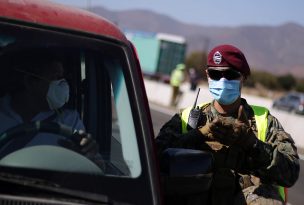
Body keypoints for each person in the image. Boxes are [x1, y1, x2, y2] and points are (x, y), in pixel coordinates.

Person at [156, 44, 300, 205]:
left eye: (230, 74)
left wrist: (252, 144)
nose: (222, 81)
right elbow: (153, 158)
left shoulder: (264, 121)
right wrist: (197, 135)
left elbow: (290, 174)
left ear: (244, 77)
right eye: (215, 74)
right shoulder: (187, 118)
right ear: (207, 75)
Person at [0, 50, 98, 160]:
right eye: (56, 77)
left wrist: (89, 152)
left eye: (63, 77)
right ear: (30, 82)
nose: (63, 84)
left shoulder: (70, 121)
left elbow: (93, 166)